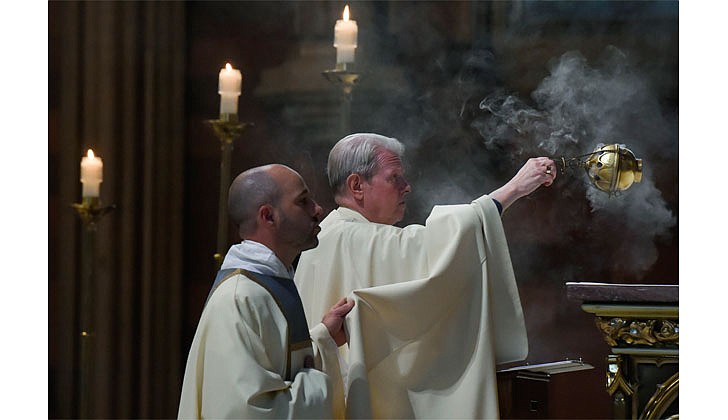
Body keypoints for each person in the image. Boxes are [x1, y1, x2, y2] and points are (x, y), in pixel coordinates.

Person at [294, 133, 556, 419]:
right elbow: (442, 247)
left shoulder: (323, 237)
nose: (407, 188)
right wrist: (514, 189)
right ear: (357, 185)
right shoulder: (358, 238)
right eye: (394, 178)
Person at [178, 164, 355, 419]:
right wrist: (317, 385)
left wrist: (324, 338)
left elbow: (277, 371)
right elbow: (248, 410)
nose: (318, 210)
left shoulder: (268, 283)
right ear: (268, 216)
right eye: (303, 201)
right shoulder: (239, 298)